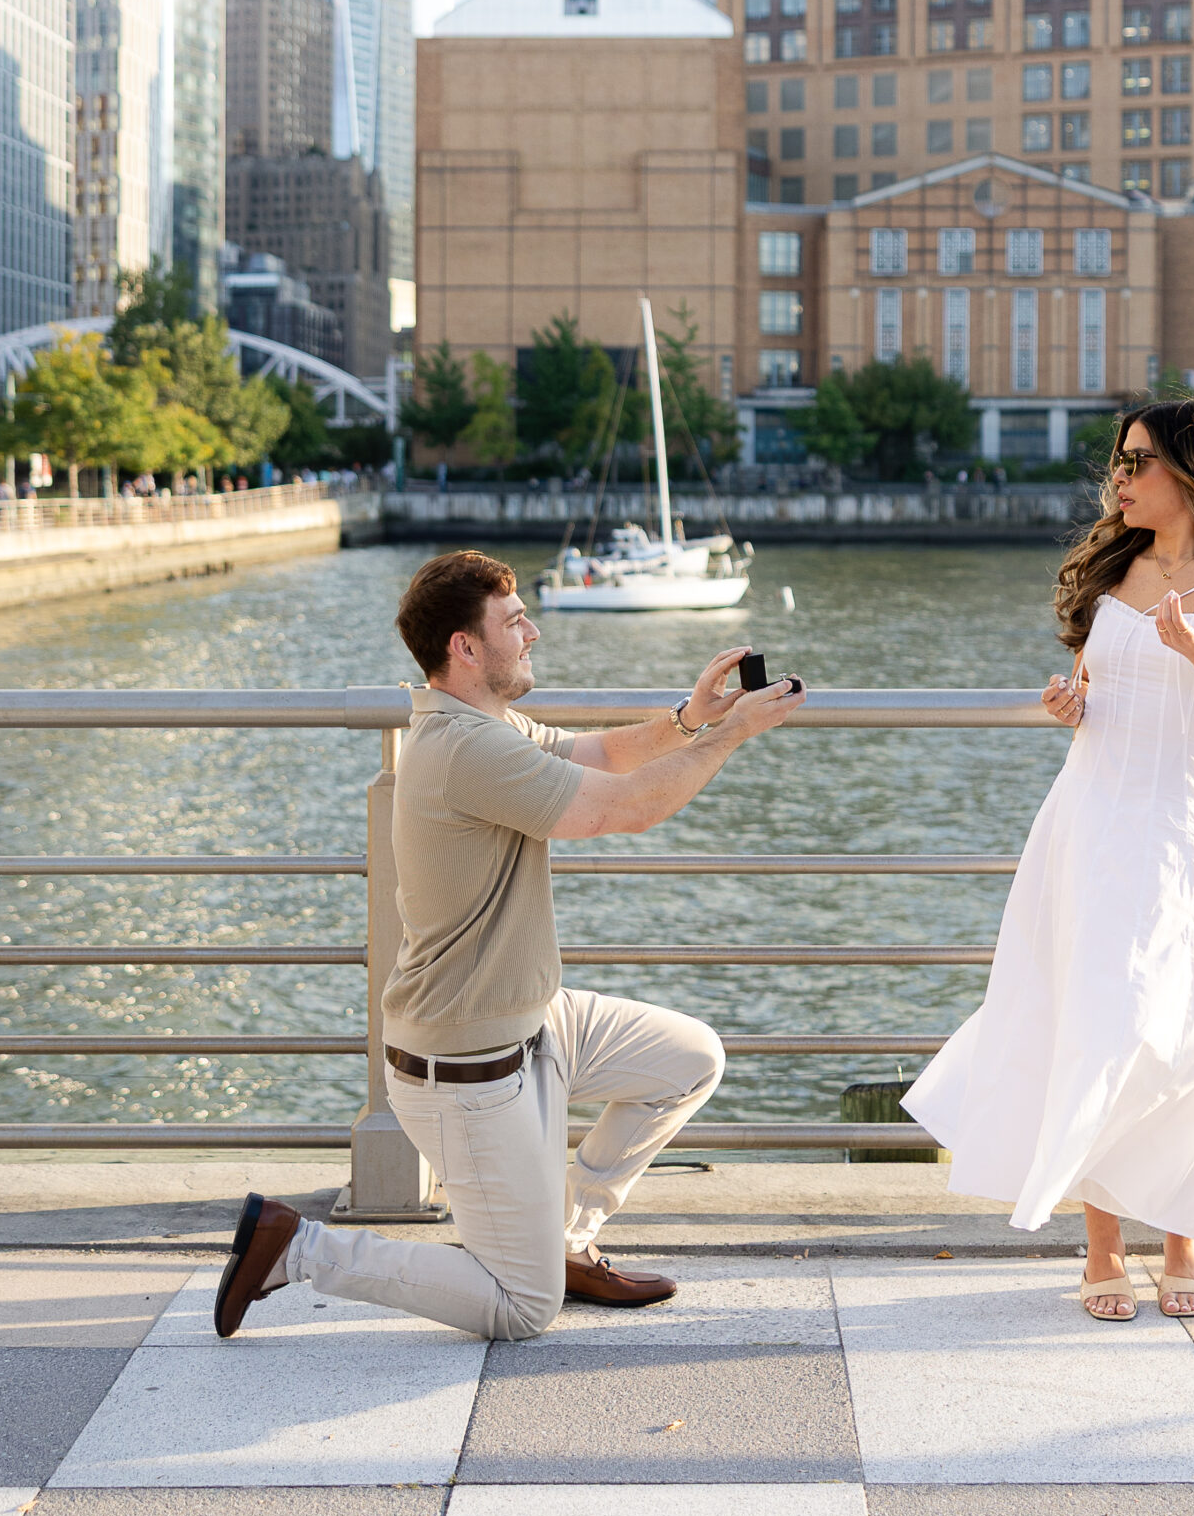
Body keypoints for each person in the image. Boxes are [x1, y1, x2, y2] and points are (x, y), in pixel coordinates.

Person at [213, 547, 803, 1341]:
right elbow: (620, 809)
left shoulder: (483, 722)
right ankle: (300, 1248)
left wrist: (690, 721)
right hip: (466, 1068)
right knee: (520, 1309)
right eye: (513, 620)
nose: (532, 632)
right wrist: (731, 736)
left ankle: (562, 1242)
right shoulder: (466, 749)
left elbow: (599, 757)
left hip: (533, 1024)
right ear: (464, 646)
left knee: (688, 1058)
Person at [904, 400, 1194, 1323]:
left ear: (1191, 468)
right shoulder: (1117, 568)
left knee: (1191, 1033)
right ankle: (1100, 1247)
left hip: (1192, 832)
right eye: (1117, 461)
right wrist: (1073, 703)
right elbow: (1106, 693)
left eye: (1136, 461)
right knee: (1092, 1023)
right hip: (1088, 824)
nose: (1119, 478)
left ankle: (1182, 1241)